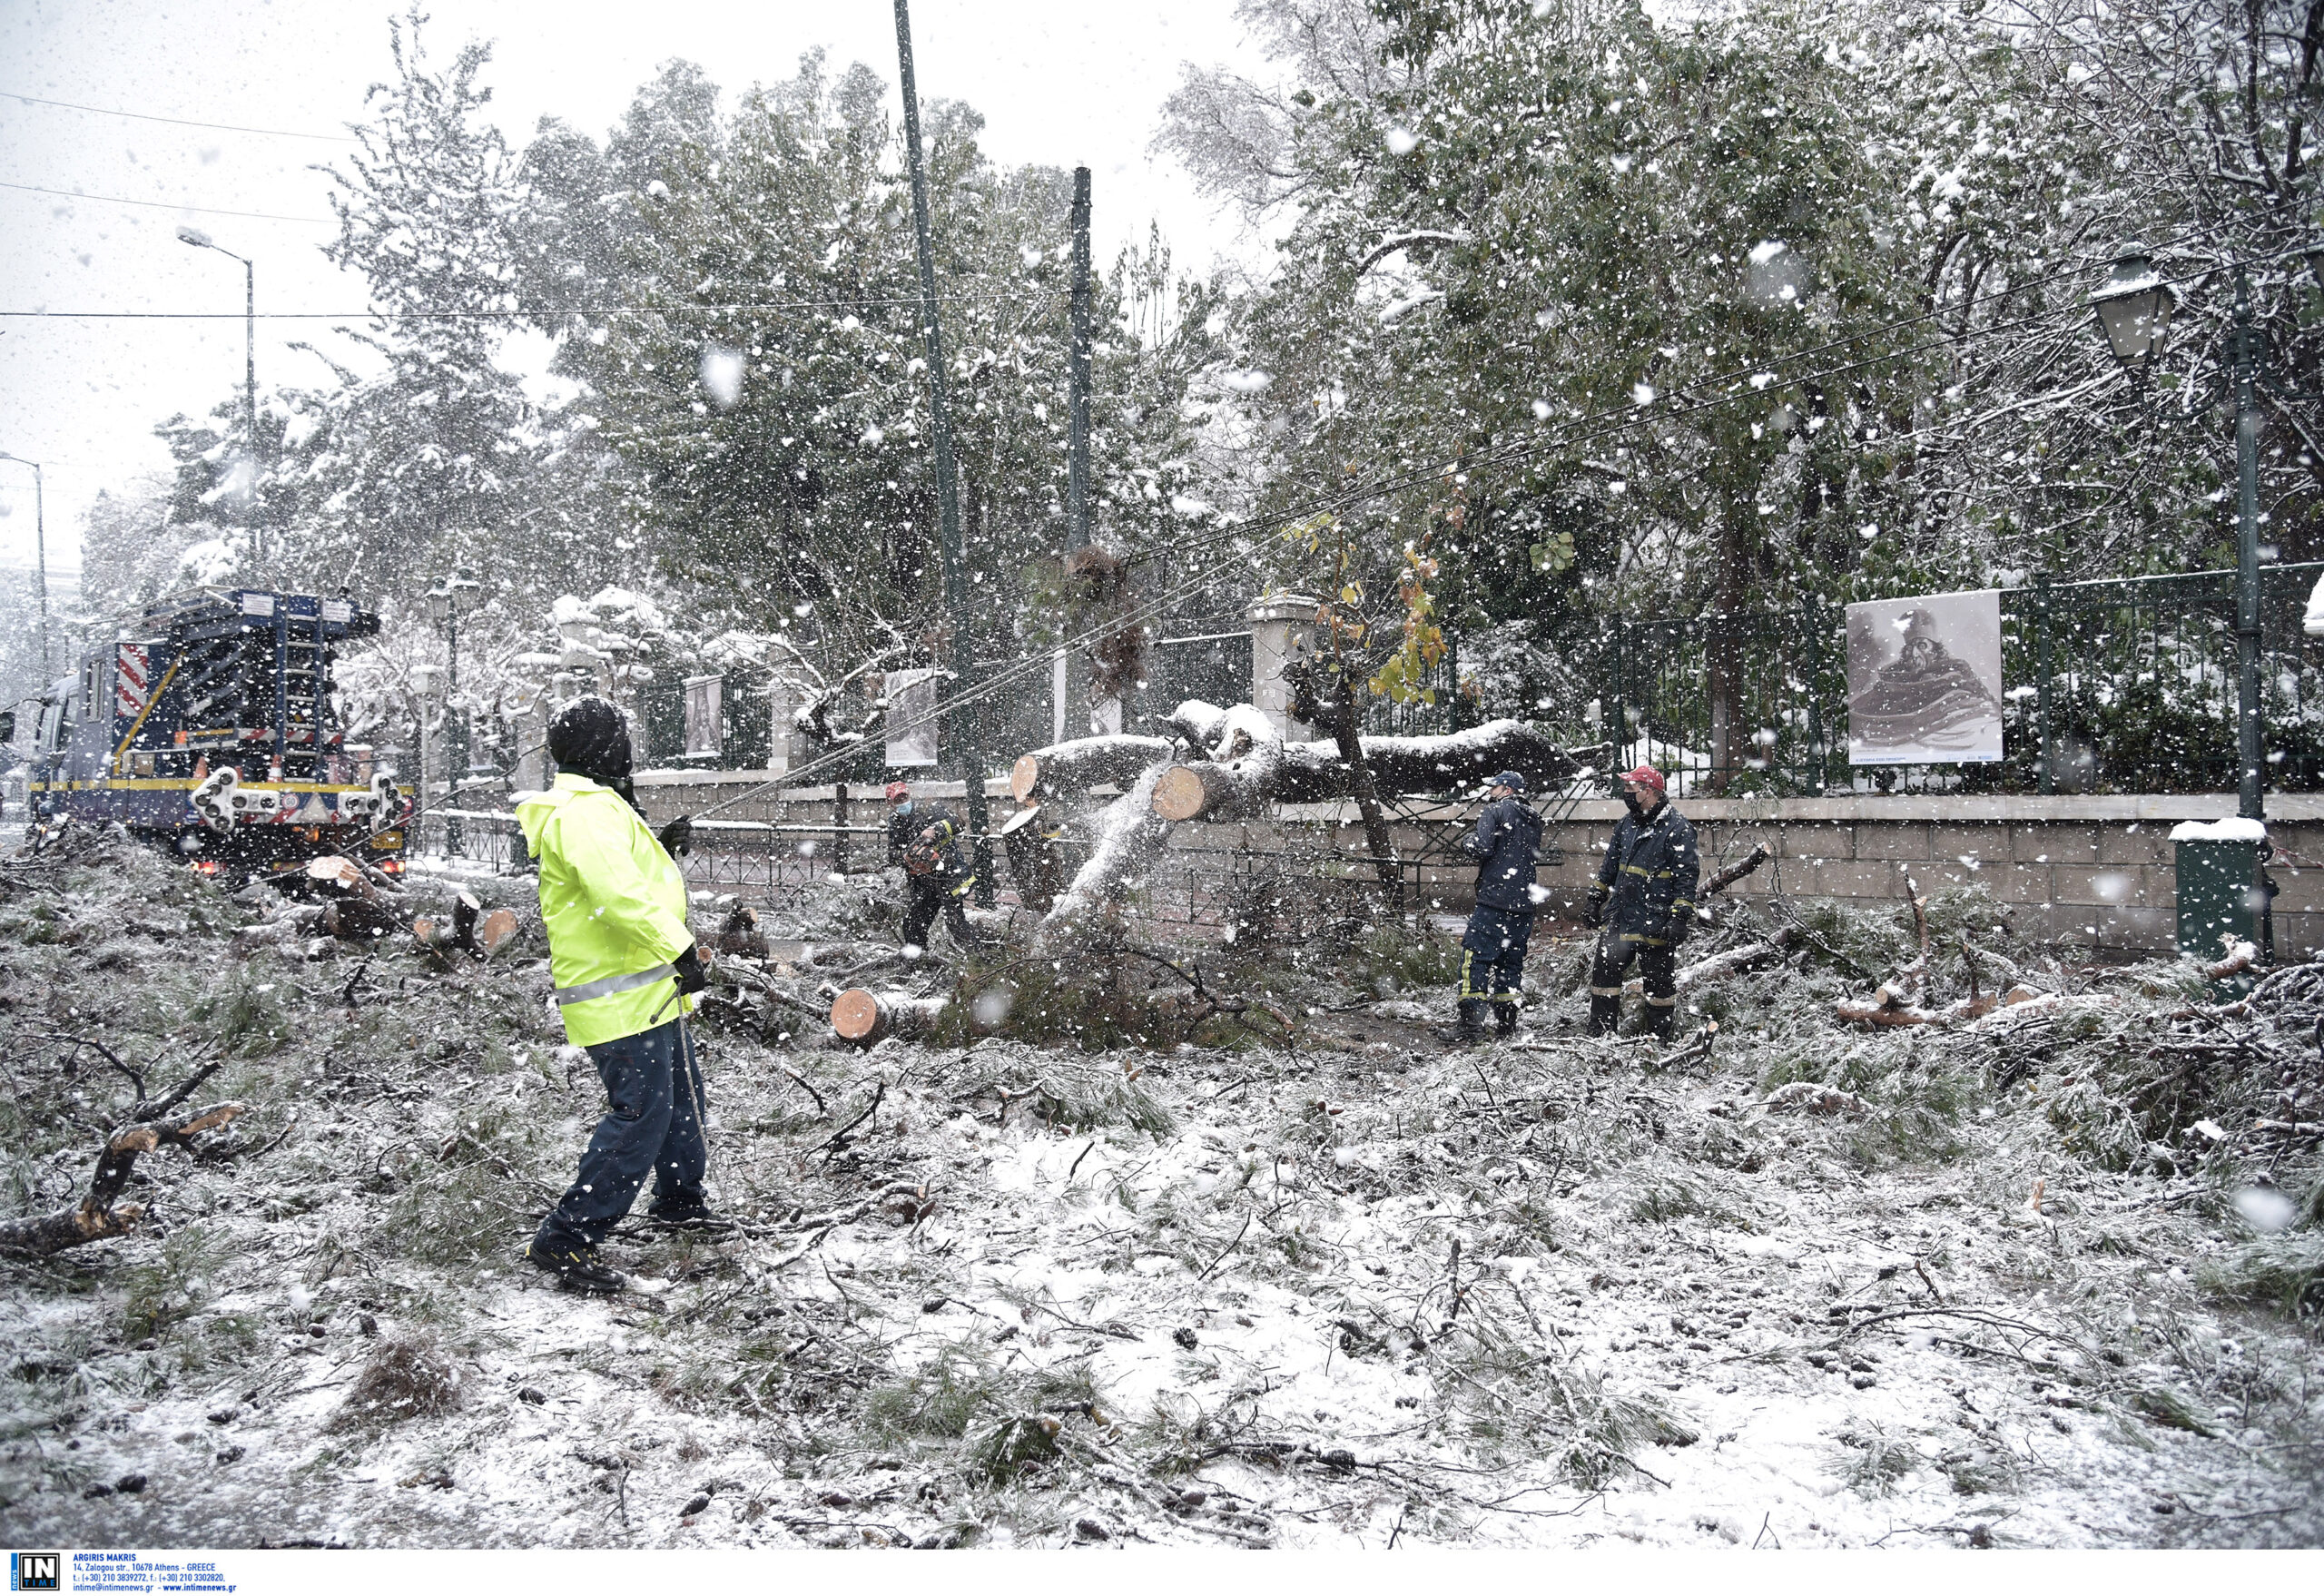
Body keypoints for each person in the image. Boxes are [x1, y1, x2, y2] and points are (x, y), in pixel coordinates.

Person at [519, 696, 715, 1296]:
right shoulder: (583, 814)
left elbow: (625, 871)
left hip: (646, 993)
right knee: (641, 1117)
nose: (629, 749)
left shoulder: (598, 806)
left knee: (682, 1100)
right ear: (604, 748)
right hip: (621, 1001)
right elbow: (617, 895)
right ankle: (567, 1238)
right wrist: (679, 948)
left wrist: (659, 844)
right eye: (621, 739)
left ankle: (679, 1201)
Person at [1585, 765, 1700, 1039]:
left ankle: (1658, 1042)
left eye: (1630, 788)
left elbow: (1687, 877)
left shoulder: (1678, 828)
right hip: (1622, 915)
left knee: (1659, 986)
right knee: (1604, 978)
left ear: (1649, 791)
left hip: (1656, 920)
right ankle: (1600, 1039)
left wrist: (1679, 918)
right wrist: (1595, 899)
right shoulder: (1626, 824)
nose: (1625, 793)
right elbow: (1609, 866)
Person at [1452, 769, 1543, 1045]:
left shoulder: (1495, 811)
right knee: (1510, 964)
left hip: (1495, 900)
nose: (1490, 792)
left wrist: (1466, 841)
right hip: (1524, 904)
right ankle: (1507, 1026)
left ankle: (1471, 1027)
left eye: (1494, 788)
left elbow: (1482, 847)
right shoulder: (1535, 818)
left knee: (1474, 958)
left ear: (1507, 790)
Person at [885, 780, 983, 951]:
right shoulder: (895, 822)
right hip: (924, 881)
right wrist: (908, 858)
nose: (903, 803)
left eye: (904, 797)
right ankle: (918, 960)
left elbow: (958, 822)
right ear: (891, 804)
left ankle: (978, 959)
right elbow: (893, 853)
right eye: (898, 801)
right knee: (912, 924)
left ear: (909, 795)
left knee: (955, 922)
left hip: (948, 875)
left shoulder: (929, 810)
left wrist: (936, 829)